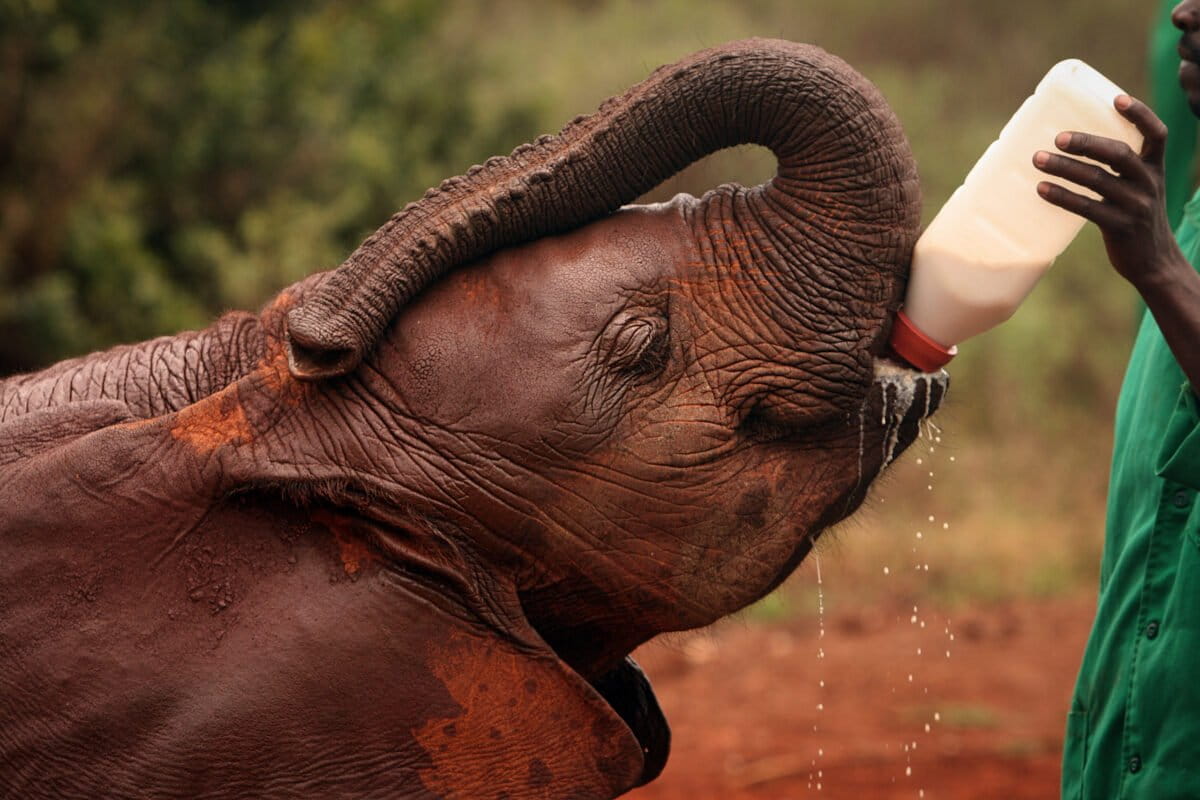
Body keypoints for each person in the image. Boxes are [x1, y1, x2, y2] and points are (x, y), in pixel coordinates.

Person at [1032, 2, 1200, 797]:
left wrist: (1164, 271)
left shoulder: (1173, 260)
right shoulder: (1191, 222)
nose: (1184, 14)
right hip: (1128, 746)